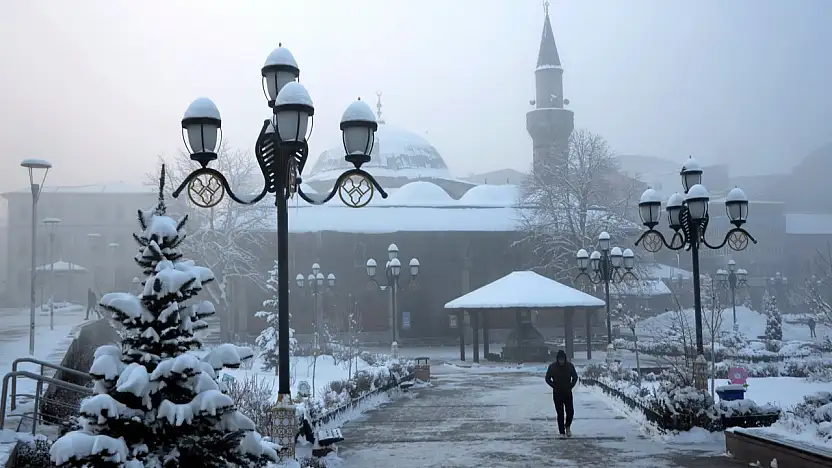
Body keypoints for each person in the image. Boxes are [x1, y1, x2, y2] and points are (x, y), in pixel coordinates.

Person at [545, 349, 579, 438]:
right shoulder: (553, 367)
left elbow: (575, 377)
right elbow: (547, 378)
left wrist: (571, 385)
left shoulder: (569, 366)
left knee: (570, 412)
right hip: (557, 393)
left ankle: (567, 426)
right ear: (557, 359)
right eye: (560, 359)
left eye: (562, 359)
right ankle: (562, 432)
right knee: (560, 413)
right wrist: (554, 386)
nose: (561, 361)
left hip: (567, 392)